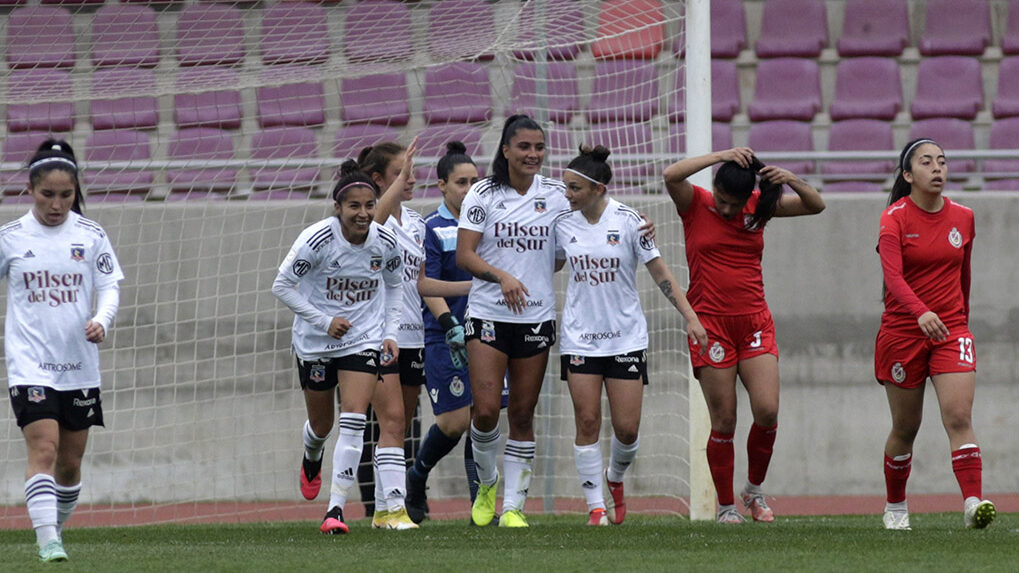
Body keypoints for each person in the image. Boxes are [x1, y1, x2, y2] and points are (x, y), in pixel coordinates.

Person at [663, 147, 825, 524]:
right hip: (711, 326)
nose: (726, 210)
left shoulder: (759, 207)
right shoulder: (695, 203)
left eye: (734, 204)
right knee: (724, 421)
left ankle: (753, 489)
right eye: (722, 200)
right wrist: (720, 155)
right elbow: (671, 175)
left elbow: (816, 206)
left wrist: (791, 179)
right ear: (714, 188)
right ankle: (725, 507)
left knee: (767, 411)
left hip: (754, 323)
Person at [555, 145, 708, 526]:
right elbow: (548, 264)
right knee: (587, 421)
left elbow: (661, 273)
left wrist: (690, 317)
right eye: (566, 187)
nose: (568, 194)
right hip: (580, 339)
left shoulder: (630, 222)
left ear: (598, 188)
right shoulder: (562, 223)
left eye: (575, 188)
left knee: (626, 429)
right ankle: (595, 507)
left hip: (625, 339)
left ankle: (615, 478)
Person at [272, 160, 414, 533]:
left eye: (370, 205)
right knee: (322, 425)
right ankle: (312, 453)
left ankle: (334, 511)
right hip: (316, 341)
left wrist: (390, 334)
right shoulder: (317, 239)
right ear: (338, 208)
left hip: (362, 338)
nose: (364, 213)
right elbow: (282, 286)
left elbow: (396, 285)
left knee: (354, 419)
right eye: (354, 206)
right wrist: (324, 321)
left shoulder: (385, 241)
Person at [2, 140, 124, 561]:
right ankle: (48, 542)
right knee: (45, 449)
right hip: (30, 364)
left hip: (79, 365)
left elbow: (109, 287)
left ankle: (55, 526)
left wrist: (102, 320)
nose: (56, 204)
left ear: (76, 192)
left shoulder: (91, 236)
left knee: (70, 466)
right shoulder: (11, 238)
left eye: (65, 195)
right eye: (47, 194)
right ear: (31, 190)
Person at [456, 115, 571, 528]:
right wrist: (502, 275)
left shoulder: (557, 194)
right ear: (505, 150)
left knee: (522, 414)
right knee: (486, 411)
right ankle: (487, 485)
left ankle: (514, 507)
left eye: (539, 147)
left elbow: (586, 219)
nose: (533, 155)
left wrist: (635, 226)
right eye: (524, 147)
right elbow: (464, 256)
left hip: (536, 316)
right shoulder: (482, 193)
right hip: (488, 314)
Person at [874, 138, 995, 531]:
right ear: (908, 175)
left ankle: (973, 503)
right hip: (902, 333)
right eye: (927, 162)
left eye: (942, 161)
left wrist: (962, 320)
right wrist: (919, 311)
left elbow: (965, 275)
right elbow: (892, 277)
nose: (937, 168)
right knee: (906, 429)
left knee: (959, 416)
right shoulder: (894, 218)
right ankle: (895, 506)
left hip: (950, 330)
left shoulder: (964, 217)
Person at [403, 141, 481, 524]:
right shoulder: (431, 229)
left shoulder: (487, 227)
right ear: (442, 186)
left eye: (474, 182)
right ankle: (416, 478)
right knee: (454, 422)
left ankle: (479, 508)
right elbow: (426, 283)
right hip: (443, 336)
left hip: (486, 335)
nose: (469, 189)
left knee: (483, 419)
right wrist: (449, 323)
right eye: (461, 182)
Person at [356, 140, 426, 526]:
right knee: (392, 421)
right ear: (379, 179)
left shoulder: (416, 222)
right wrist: (394, 187)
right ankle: (394, 509)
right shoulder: (370, 220)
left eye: (412, 171)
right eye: (403, 172)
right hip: (381, 335)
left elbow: (422, 284)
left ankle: (384, 510)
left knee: (401, 428)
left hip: (414, 336)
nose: (412, 178)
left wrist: (477, 286)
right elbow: (372, 224)